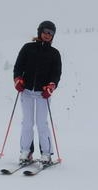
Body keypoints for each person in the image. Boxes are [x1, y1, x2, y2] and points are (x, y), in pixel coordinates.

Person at [13, 21, 62, 164]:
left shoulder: (54, 53)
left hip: (43, 94)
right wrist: (18, 80)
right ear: (40, 31)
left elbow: (56, 74)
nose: (47, 35)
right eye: (45, 31)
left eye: (51, 33)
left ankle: (46, 153)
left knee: (41, 123)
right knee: (27, 123)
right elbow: (18, 67)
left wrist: (51, 86)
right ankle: (26, 152)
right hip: (27, 91)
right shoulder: (28, 48)